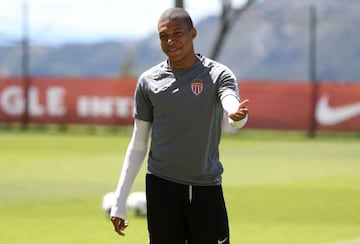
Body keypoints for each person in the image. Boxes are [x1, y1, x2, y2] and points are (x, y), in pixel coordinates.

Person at [110, 7, 249, 244]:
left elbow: (231, 102)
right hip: (161, 186)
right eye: (164, 36)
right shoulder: (148, 81)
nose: (171, 41)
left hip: (206, 186)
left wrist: (235, 114)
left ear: (193, 33)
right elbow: (138, 143)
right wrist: (119, 202)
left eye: (177, 33)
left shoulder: (217, 74)